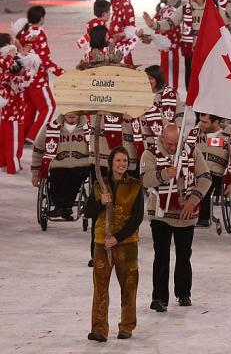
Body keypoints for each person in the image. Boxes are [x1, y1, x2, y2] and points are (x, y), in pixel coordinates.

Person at [141, 124, 211, 312]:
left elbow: (205, 177)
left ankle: (183, 292)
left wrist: (193, 200)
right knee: (161, 255)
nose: (173, 148)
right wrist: (164, 174)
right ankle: (159, 297)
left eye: (176, 144)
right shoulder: (150, 153)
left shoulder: (192, 152)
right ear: (162, 139)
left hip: (186, 213)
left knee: (184, 254)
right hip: (161, 213)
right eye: (169, 144)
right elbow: (145, 180)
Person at [85, 146, 143, 342]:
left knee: (129, 286)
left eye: (125, 161)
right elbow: (88, 213)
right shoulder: (99, 184)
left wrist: (117, 237)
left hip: (127, 243)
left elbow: (137, 218)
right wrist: (100, 201)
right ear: (111, 163)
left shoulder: (135, 185)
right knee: (100, 287)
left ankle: (126, 326)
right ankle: (99, 329)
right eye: (118, 160)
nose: (122, 164)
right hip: (102, 243)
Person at [143, 0, 209, 89]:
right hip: (190, 52)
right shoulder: (185, 8)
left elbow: (223, 26)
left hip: (207, 51)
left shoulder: (212, 6)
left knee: (206, 82)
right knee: (190, 83)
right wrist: (153, 25)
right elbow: (169, 23)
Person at [16, 5, 64, 144]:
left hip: (25, 79)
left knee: (30, 108)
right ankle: (34, 136)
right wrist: (61, 72)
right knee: (48, 107)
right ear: (41, 18)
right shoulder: (38, 34)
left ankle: (23, 135)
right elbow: (44, 59)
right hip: (37, 79)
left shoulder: (24, 32)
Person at [31, 112, 92, 220]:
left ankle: (63, 207)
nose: (72, 116)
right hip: (58, 166)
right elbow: (38, 150)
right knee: (57, 177)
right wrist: (35, 174)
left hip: (80, 165)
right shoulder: (50, 128)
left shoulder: (89, 128)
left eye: (75, 114)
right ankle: (63, 207)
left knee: (74, 177)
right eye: (70, 113)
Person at [192, 113, 231, 228]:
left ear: (216, 122)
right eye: (200, 120)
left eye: (205, 122)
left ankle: (203, 217)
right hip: (193, 172)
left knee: (205, 180)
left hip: (217, 175)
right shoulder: (193, 135)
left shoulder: (230, 139)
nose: (201, 124)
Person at [0, 37, 39, 174]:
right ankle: (13, 165)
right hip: (14, 107)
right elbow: (18, 84)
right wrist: (24, 76)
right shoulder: (10, 63)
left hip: (6, 106)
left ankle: (3, 161)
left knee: (4, 134)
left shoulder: (4, 60)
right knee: (14, 138)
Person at [140, 65, 182, 147]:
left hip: (167, 140)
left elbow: (180, 115)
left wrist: (176, 133)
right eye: (146, 78)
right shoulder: (141, 94)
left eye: (150, 78)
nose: (147, 81)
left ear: (158, 79)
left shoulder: (171, 94)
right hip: (145, 139)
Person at [109, 0, 139, 66]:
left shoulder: (118, 3)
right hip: (122, 46)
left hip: (114, 44)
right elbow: (130, 28)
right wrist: (138, 34)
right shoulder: (126, 5)